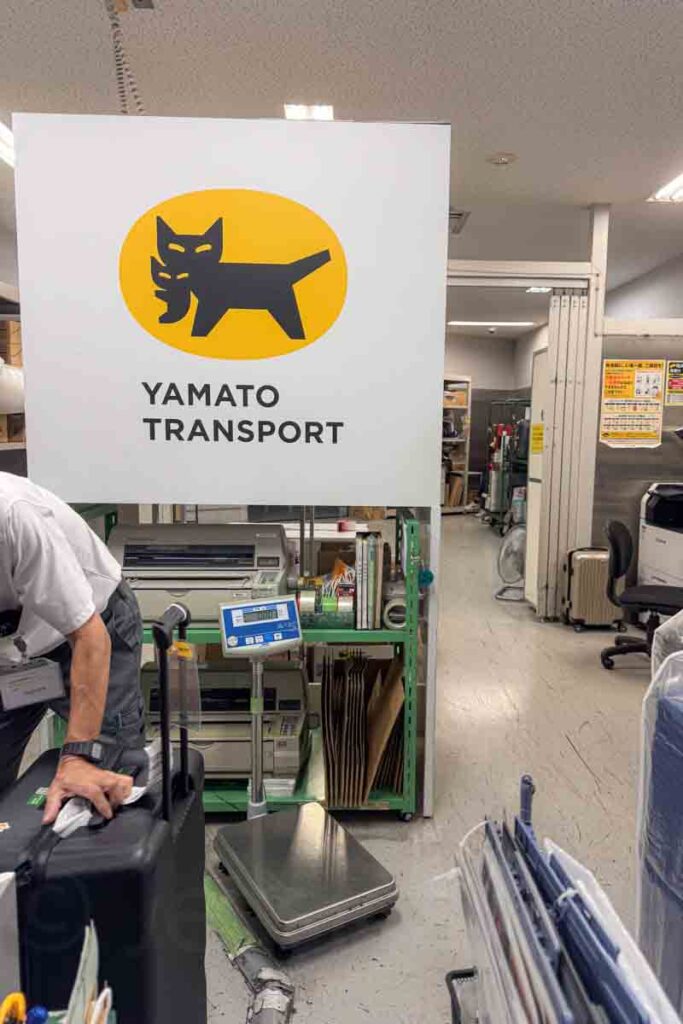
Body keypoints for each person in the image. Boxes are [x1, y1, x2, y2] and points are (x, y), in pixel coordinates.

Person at [0, 473, 144, 824]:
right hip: (11, 649)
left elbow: (89, 637)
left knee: (105, 778)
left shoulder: (13, 515)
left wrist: (78, 756)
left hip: (89, 626)